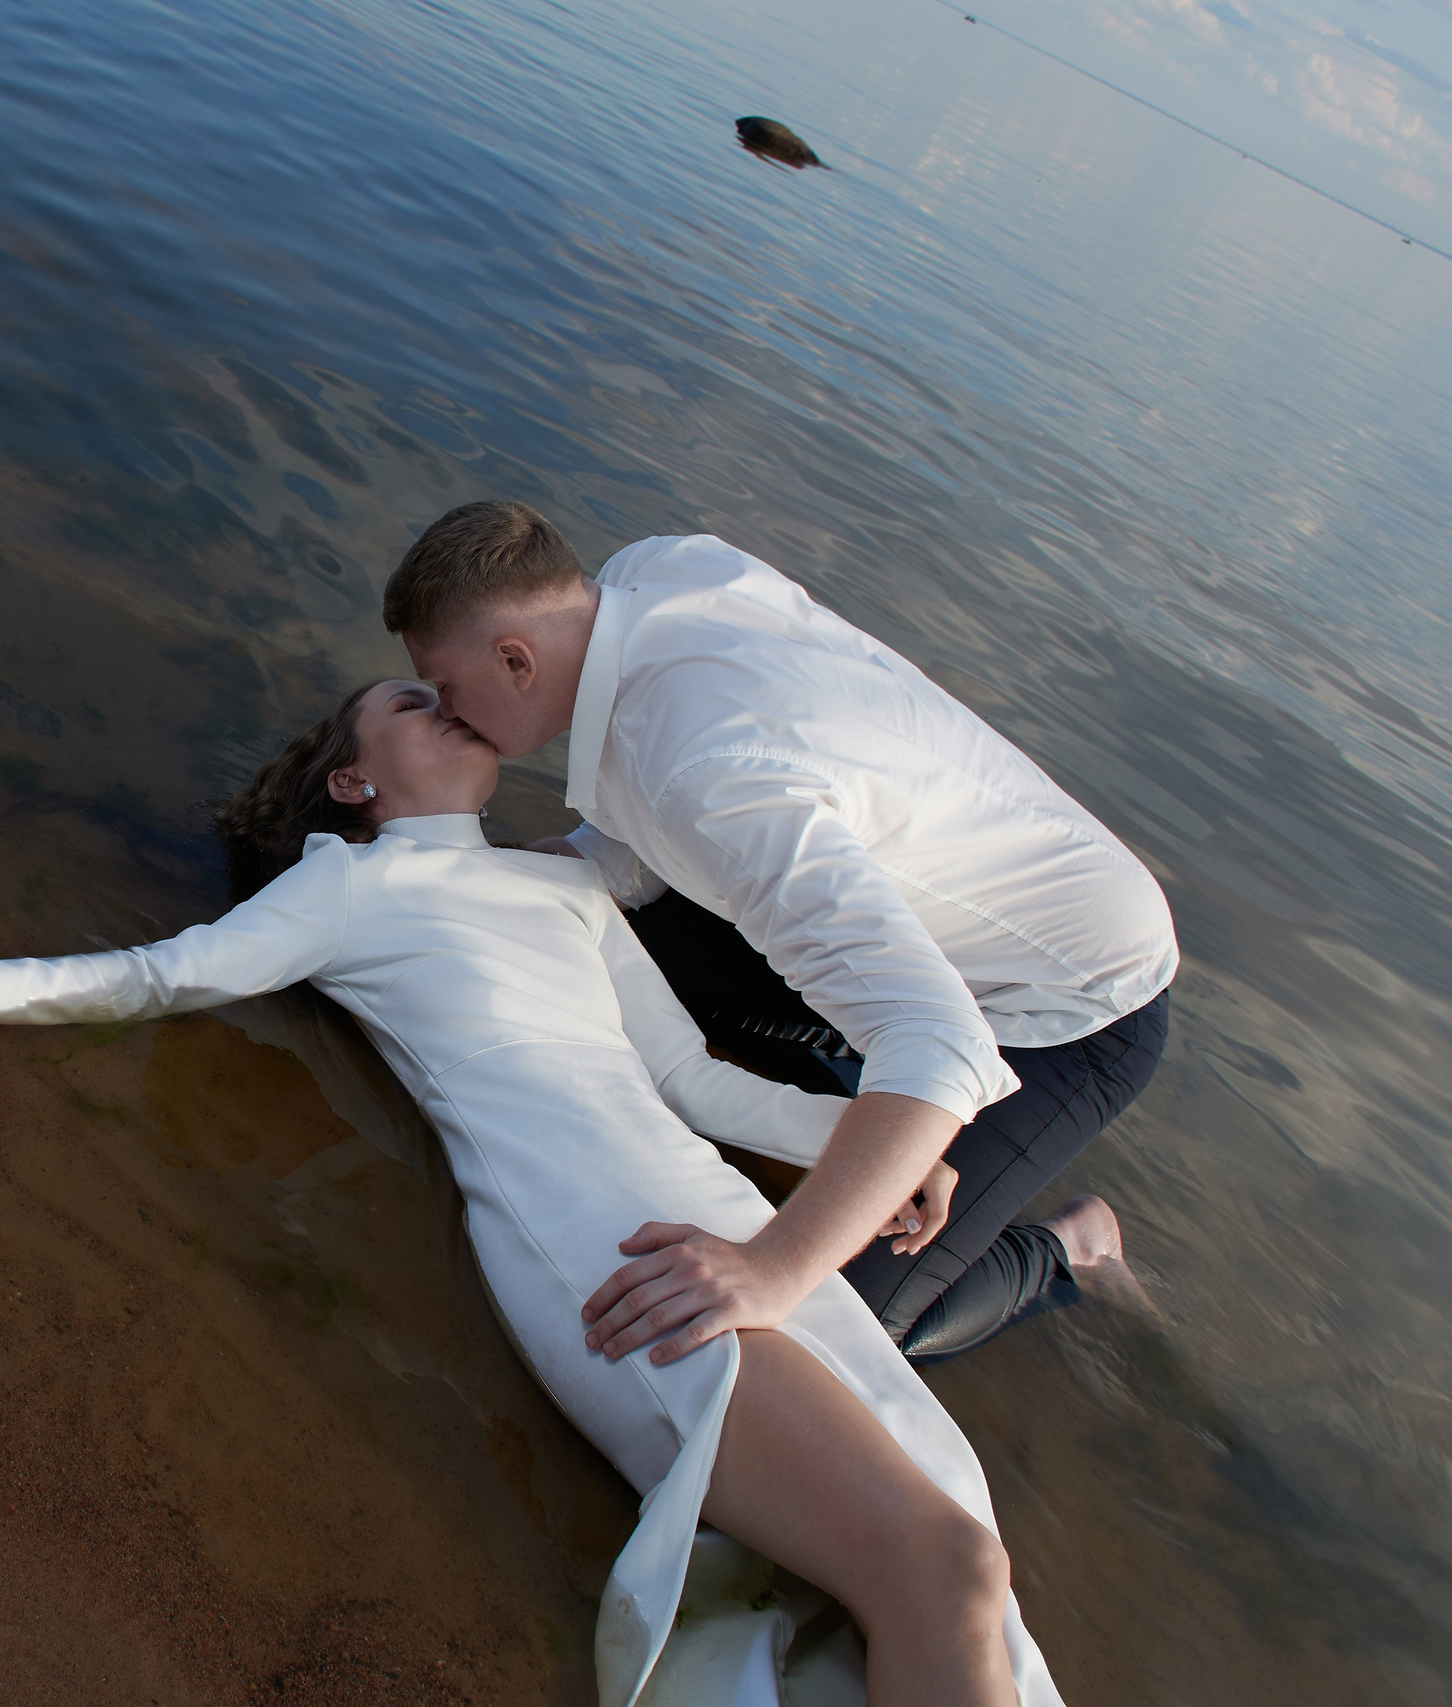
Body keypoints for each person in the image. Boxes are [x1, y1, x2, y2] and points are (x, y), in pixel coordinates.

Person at [0, 680, 1061, 1707]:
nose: (445, 701)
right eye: (409, 701)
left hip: (743, 1227)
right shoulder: (349, 888)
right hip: (607, 1242)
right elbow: (159, 974)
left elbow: (692, 1081)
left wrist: (871, 1137)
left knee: (961, 1588)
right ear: (356, 782)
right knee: (941, 1566)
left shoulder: (566, 887)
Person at [387, 502, 1177, 1365]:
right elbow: (665, 820)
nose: (448, 715)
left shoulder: (708, 776)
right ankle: (867, 1103)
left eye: (451, 691)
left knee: (842, 1336)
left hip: (1073, 1004)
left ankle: (1067, 1247)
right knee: (599, 957)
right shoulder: (658, 568)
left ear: (516, 658)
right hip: (910, 900)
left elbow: (940, 1038)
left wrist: (772, 1268)